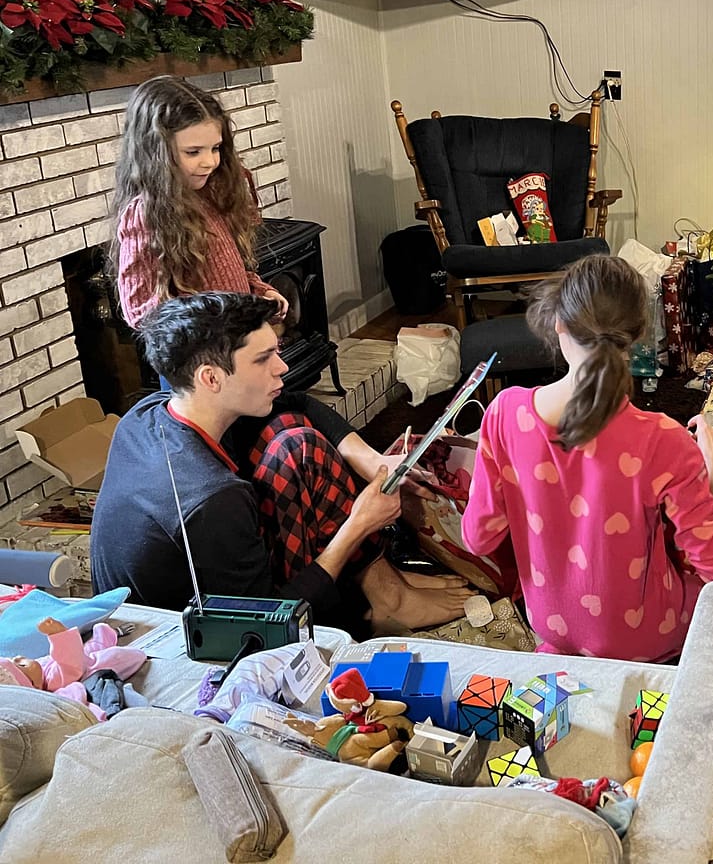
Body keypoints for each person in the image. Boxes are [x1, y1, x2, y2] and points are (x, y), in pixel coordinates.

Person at [92, 292, 472, 634]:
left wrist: (371, 459)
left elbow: (299, 404)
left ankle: (387, 588)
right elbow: (266, 626)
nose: (282, 367)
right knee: (297, 447)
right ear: (211, 378)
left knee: (294, 436)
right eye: (263, 359)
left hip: (218, 586)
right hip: (182, 641)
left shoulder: (151, 411)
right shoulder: (214, 498)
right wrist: (358, 525)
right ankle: (378, 598)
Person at [462, 255, 713, 662]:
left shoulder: (504, 413)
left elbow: (478, 537)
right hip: (644, 638)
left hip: (550, 626)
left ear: (559, 321)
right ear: (637, 334)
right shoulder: (663, 438)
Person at [109, 75, 288, 328]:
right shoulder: (144, 214)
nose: (210, 162)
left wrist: (258, 292)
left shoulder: (208, 195)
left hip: (233, 345)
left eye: (215, 148)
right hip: (201, 359)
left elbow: (221, 274)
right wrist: (220, 315)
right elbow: (139, 312)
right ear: (155, 151)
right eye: (193, 152)